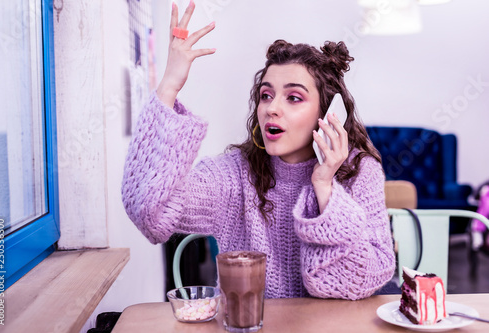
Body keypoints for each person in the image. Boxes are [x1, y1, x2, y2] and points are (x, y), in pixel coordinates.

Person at [122, 1, 395, 300]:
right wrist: (168, 87)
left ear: (328, 112)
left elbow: (354, 282)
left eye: (293, 97)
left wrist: (324, 187)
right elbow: (149, 213)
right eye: (266, 95)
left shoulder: (359, 171)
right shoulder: (234, 174)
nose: (271, 109)